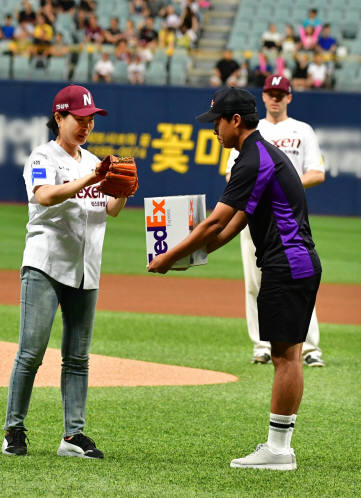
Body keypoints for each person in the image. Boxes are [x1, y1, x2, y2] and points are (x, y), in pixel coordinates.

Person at [148, 87, 322, 470]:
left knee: (285, 357)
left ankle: (278, 450)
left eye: (217, 123)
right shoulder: (258, 156)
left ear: (235, 121)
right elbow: (234, 224)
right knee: (287, 355)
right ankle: (280, 447)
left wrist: (167, 257)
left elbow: (214, 220)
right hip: (294, 263)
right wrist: (193, 257)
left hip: (288, 265)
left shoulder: (251, 159)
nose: (213, 131)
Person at [2, 85, 129, 459]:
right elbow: (44, 195)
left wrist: (123, 190)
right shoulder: (42, 156)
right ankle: (14, 429)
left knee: (77, 357)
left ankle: (73, 436)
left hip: (86, 269)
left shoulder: (93, 161)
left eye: (91, 119)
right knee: (31, 352)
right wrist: (91, 180)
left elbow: (111, 210)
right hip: (45, 264)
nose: (87, 125)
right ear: (59, 117)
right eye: (80, 118)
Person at [224, 75, 326, 367]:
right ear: (264, 96)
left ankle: (308, 346)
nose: (275, 97)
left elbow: (317, 172)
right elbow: (232, 174)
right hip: (253, 214)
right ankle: (261, 345)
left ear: (289, 97)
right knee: (254, 282)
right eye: (271, 92)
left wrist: (282, 185)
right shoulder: (252, 129)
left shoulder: (302, 130)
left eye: (281, 93)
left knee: (299, 277)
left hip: (288, 215)